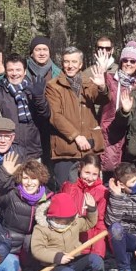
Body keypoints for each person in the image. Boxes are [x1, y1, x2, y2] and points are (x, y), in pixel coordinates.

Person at [46, 47, 109, 186]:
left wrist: (102, 86)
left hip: (90, 147)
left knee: (92, 190)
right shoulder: (53, 86)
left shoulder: (90, 82)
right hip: (66, 149)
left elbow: (102, 99)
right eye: (66, 62)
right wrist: (75, 136)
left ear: (80, 64)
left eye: (74, 62)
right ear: (62, 63)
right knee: (66, 192)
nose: (70, 65)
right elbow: (55, 116)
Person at [30, 191, 103, 271]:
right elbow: (37, 250)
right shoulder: (42, 228)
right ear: (51, 216)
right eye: (60, 219)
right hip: (55, 265)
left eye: (67, 220)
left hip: (75, 259)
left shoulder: (74, 222)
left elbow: (89, 223)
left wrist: (91, 209)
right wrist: (57, 257)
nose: (64, 223)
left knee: (95, 260)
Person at [0, 53, 50, 161]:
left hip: (33, 150)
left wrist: (39, 97)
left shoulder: (33, 89)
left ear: (25, 71)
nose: (14, 74)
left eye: (18, 70)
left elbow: (45, 115)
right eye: (10, 70)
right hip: (9, 152)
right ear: (6, 71)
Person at [0, 155, 50, 260]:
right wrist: (3, 175)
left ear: (40, 180)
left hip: (33, 251)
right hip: (10, 248)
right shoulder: (11, 194)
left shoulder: (48, 199)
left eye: (34, 178)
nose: (29, 183)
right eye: (25, 178)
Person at [100, 44, 136, 172]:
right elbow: (100, 92)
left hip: (132, 135)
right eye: (125, 60)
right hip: (110, 133)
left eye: (133, 61)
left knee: (130, 175)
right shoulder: (109, 79)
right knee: (110, 171)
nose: (128, 64)